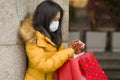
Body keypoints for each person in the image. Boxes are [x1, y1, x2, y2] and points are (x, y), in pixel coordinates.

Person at [19, 0, 85, 80]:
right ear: (44, 18)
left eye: (58, 20)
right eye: (54, 19)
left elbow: (60, 59)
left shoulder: (52, 36)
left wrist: (73, 48)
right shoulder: (33, 38)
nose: (56, 23)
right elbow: (43, 66)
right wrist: (68, 52)